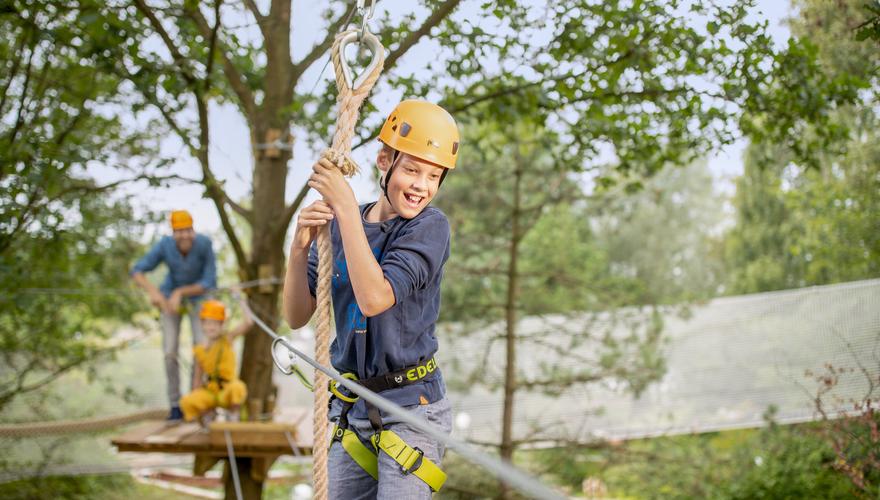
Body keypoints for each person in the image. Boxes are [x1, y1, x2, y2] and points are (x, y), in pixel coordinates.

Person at [282, 100, 460, 498]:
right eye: (412, 169)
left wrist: (344, 208)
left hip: (411, 410)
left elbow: (375, 298)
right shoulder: (343, 226)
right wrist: (297, 250)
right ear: (385, 161)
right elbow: (296, 315)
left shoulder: (429, 228)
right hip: (355, 408)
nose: (421, 186)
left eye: (433, 176)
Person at [131, 210, 217, 421]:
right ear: (173, 233)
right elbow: (137, 270)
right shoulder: (165, 245)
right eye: (179, 231)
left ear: (193, 230)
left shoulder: (205, 244)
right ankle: (175, 405)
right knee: (170, 351)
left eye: (188, 230)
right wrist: (155, 294)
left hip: (198, 298)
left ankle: (195, 401)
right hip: (169, 300)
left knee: (201, 348)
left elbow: (209, 281)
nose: (184, 235)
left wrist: (181, 292)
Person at [179, 298, 251, 425]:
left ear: (222, 325)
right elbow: (197, 377)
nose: (210, 327)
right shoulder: (199, 349)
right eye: (207, 323)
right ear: (202, 325)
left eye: (215, 323)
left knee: (238, 388)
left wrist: (241, 300)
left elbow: (248, 323)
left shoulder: (227, 339)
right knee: (187, 401)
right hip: (211, 392)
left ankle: (233, 415)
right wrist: (198, 401)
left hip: (227, 391)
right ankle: (208, 416)